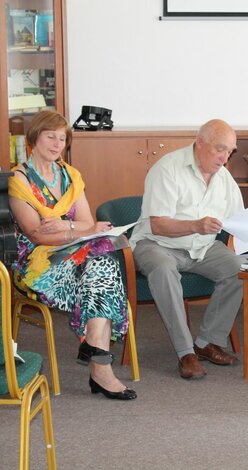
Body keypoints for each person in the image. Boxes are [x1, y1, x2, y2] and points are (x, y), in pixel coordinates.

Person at [8, 110, 136, 400]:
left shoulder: (71, 175)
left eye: (62, 138)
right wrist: (76, 229)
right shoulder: (20, 180)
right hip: (37, 264)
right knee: (102, 267)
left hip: (76, 253)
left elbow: (88, 222)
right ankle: (99, 365)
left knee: (102, 261)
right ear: (34, 138)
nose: (56, 144)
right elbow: (36, 234)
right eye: (50, 136)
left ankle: (97, 356)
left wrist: (65, 226)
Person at [130, 119, 244, 380]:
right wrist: (196, 225)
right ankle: (185, 353)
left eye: (230, 151)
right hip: (158, 244)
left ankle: (207, 341)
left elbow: (240, 218)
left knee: (238, 269)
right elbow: (158, 225)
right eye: (219, 149)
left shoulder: (224, 177)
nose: (225, 158)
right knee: (163, 269)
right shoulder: (168, 168)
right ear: (200, 143)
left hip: (202, 247)